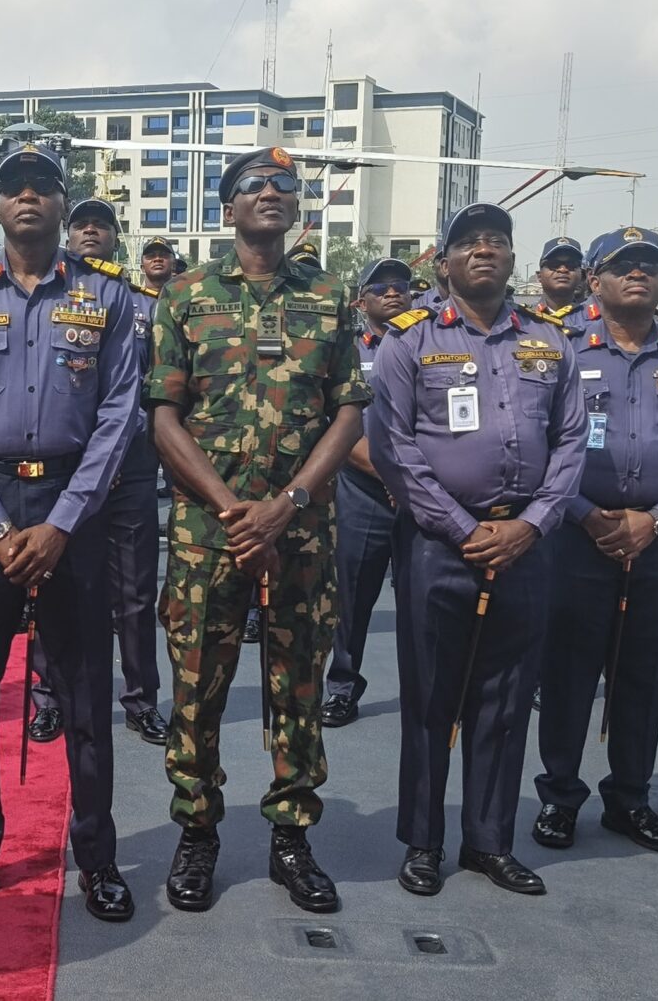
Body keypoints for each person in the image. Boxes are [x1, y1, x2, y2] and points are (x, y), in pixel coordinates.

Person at [0, 146, 142, 925]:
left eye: (41, 186)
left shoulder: (105, 295)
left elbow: (119, 412)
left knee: (84, 694)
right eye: (12, 187)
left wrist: (63, 522)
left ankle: (97, 854)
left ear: (61, 202)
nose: (26, 197)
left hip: (71, 504)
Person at [147, 147, 366, 914]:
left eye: (284, 185)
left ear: (297, 206)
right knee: (196, 685)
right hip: (208, 533)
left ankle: (291, 837)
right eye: (254, 185)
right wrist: (234, 509)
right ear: (228, 208)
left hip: (300, 531)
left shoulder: (329, 296)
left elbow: (348, 411)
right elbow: (164, 416)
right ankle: (197, 828)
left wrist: (288, 503)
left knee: (298, 683)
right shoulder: (184, 296)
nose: (272, 192)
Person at [370, 202, 583, 897]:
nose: (484, 251)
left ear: (513, 258)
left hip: (525, 543)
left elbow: (572, 441)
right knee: (432, 698)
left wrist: (534, 523)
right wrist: (463, 529)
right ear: (445, 263)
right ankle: (423, 840)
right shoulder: (410, 339)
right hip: (439, 544)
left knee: (508, 698)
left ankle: (489, 842)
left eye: (497, 241)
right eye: (469, 242)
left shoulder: (551, 341)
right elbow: (393, 448)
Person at [528, 226, 658, 857]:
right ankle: (560, 796)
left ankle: (630, 797)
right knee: (568, 673)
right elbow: (540, 443)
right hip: (576, 534)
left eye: (649, 265)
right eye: (622, 266)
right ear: (595, 281)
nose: (637, 274)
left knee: (648, 672)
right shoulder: (559, 347)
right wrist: (587, 514)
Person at [71, 205, 166, 746]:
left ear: (115, 238)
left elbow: (157, 388)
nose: (91, 230)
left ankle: (141, 699)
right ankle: (52, 696)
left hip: (130, 463)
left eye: (101, 225)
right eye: (81, 223)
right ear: (68, 234)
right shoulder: (49, 299)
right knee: (61, 588)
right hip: (67, 466)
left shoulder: (146, 306)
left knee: (135, 591)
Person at [323, 257, 416, 726]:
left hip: (423, 493)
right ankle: (342, 687)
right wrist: (390, 476)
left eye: (400, 285)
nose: (392, 292)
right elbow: (337, 424)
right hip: (363, 491)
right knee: (353, 599)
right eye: (380, 287)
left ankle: (424, 690)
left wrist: (413, 480)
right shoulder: (346, 349)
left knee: (421, 600)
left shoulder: (432, 343)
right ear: (362, 301)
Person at [531, 237, 586, 319]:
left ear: (581, 276)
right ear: (539, 276)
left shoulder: (595, 321)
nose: (563, 270)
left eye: (571, 264)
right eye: (554, 264)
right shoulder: (523, 319)